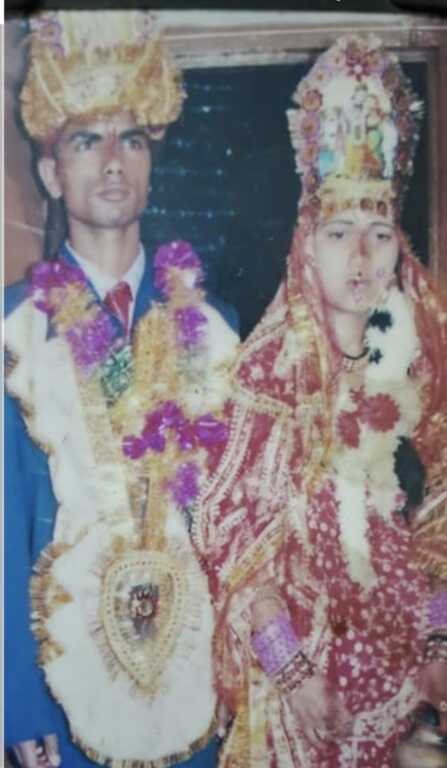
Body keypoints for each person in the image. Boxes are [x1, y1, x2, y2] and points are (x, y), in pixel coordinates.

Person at [194, 35, 447, 767]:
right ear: (306, 245)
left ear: (398, 247)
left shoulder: (424, 368)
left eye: (378, 233)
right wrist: (293, 671)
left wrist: (439, 643)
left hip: (407, 688)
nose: (360, 257)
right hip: (299, 694)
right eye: (339, 234)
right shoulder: (265, 377)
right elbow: (232, 545)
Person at [4, 11, 239, 768]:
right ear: (51, 173)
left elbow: (232, 517)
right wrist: (16, 704)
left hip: (195, 678)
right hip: (64, 688)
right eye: (86, 140)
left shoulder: (215, 324)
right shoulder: (14, 328)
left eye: (130, 139)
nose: (112, 160)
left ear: (149, 164)